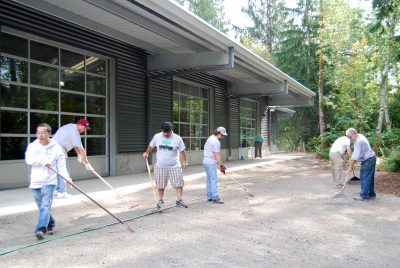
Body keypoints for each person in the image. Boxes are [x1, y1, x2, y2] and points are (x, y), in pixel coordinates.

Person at [25, 123, 73, 240]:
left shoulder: (56, 148)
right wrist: (43, 162)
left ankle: (41, 229)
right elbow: (29, 160)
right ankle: (51, 223)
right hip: (36, 180)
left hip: (49, 181)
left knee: (46, 205)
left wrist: (67, 178)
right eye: (38, 132)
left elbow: (61, 166)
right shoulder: (33, 146)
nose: (40, 135)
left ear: (49, 134)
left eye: (43, 132)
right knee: (41, 205)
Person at [143, 122, 189, 209]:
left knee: (178, 184)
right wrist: (147, 152)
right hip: (160, 166)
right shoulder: (157, 137)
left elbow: (182, 151)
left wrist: (185, 161)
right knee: (160, 184)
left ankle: (179, 200)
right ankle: (160, 201)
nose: (166, 134)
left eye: (168, 132)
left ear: (172, 130)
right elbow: (151, 146)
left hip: (174, 165)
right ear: (162, 130)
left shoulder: (177, 138)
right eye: (164, 132)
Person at [52, 119, 91, 198]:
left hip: (54, 147)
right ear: (79, 124)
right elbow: (81, 149)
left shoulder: (71, 126)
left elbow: (75, 145)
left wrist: (79, 155)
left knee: (58, 171)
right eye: (84, 128)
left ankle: (56, 191)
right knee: (65, 169)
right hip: (59, 149)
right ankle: (62, 192)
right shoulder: (75, 132)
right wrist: (87, 163)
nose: (84, 131)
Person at [345, 128, 376, 201]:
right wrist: (353, 160)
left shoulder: (359, 141)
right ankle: (371, 194)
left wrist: (350, 167)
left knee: (364, 177)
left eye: (349, 137)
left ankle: (363, 195)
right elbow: (358, 153)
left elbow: (355, 156)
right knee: (369, 178)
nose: (349, 139)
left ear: (354, 133)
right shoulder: (359, 136)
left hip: (368, 160)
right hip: (371, 158)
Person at [203, 126, 228, 204]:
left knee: (209, 179)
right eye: (223, 135)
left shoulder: (211, 137)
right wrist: (221, 166)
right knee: (213, 180)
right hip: (210, 162)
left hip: (205, 161)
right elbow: (217, 156)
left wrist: (219, 165)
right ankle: (215, 197)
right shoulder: (216, 142)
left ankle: (210, 196)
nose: (223, 137)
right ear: (219, 133)